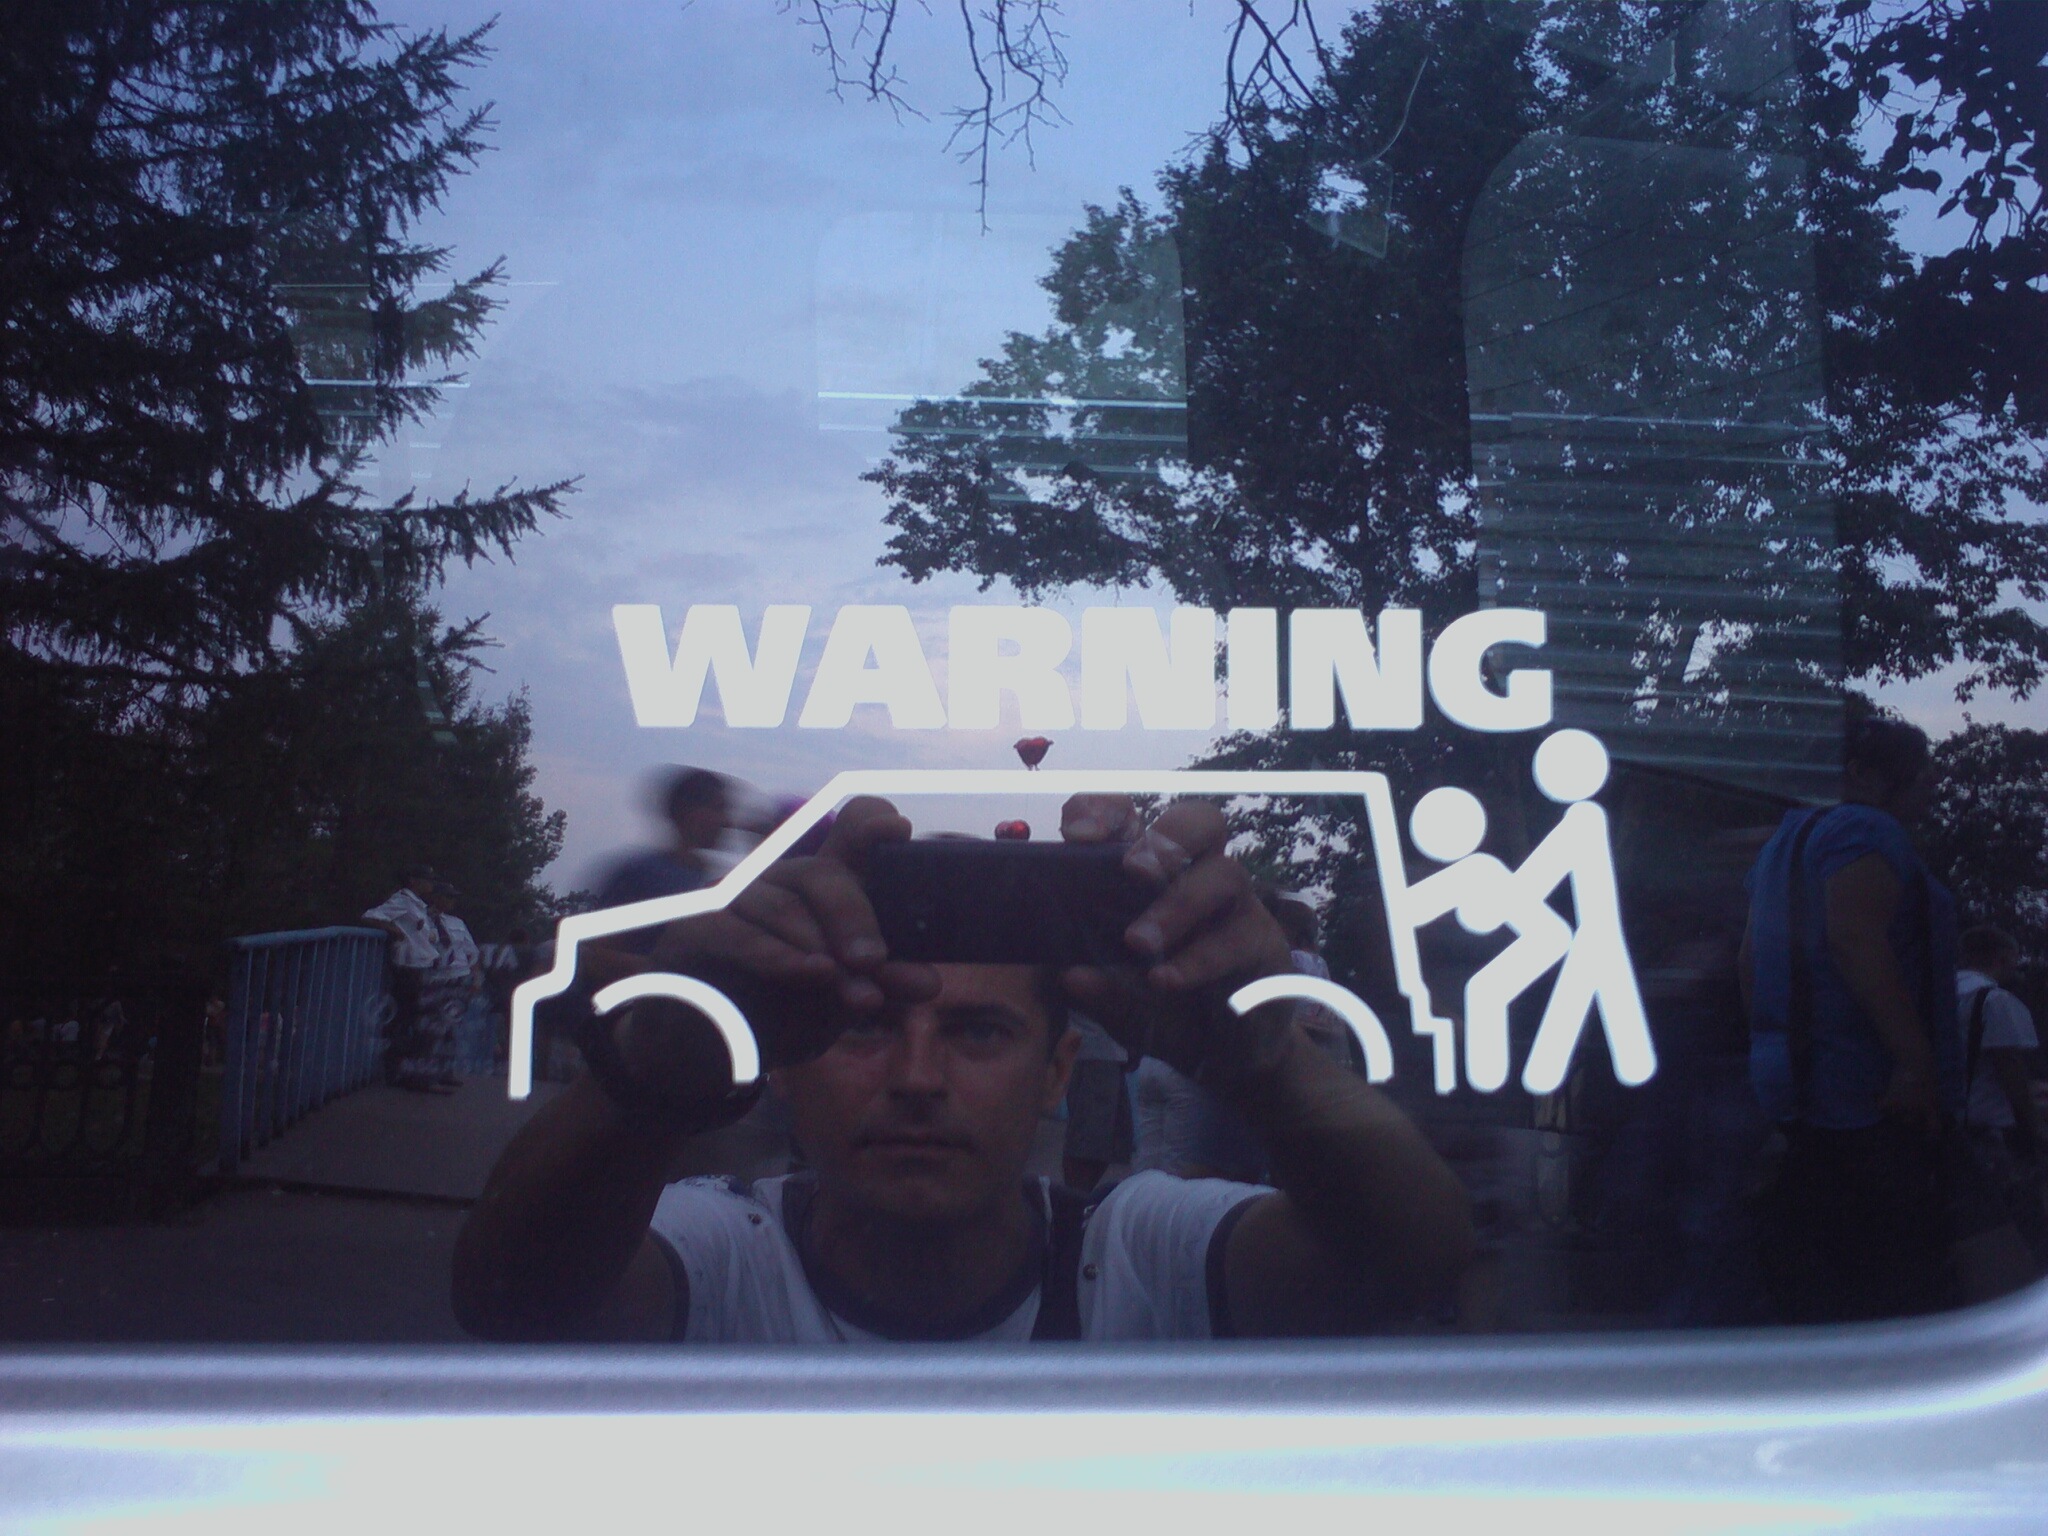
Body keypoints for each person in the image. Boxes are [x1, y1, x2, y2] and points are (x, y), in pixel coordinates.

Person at [452, 793, 1474, 1343]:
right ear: (781, 1067)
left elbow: (1417, 1260)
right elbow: (515, 1302)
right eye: (863, 1031)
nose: (917, 1076)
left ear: (1058, 1071)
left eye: (978, 1033)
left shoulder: (1137, 1247)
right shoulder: (721, 1243)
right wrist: (654, 1077)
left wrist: (1262, 1064)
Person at [1740, 714, 1964, 1322]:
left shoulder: (1784, 842)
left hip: (1801, 1101)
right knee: (1901, 1287)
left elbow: (1751, 963)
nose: (1931, 784)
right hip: (1877, 1102)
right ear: (1865, 777)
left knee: (1826, 1288)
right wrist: (1915, 1066)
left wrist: (1774, 1052)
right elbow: (1854, 939)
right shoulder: (1868, 828)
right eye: (1918, 772)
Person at [1956, 925, 2045, 1257]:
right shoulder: (1993, 1000)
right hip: (1992, 1135)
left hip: (1947, 1126)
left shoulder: (1935, 994)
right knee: (2019, 1222)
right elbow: (2010, 1071)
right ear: (2003, 956)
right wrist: (2037, 1129)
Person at [364, 868, 480, 1091]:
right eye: (427, 880)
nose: (430, 884)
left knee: (425, 1024)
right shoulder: (404, 901)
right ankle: (417, 1076)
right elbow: (371, 916)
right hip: (412, 969)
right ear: (414, 881)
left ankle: (419, 1074)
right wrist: (395, 931)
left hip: (425, 971)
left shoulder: (421, 907)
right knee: (421, 1024)